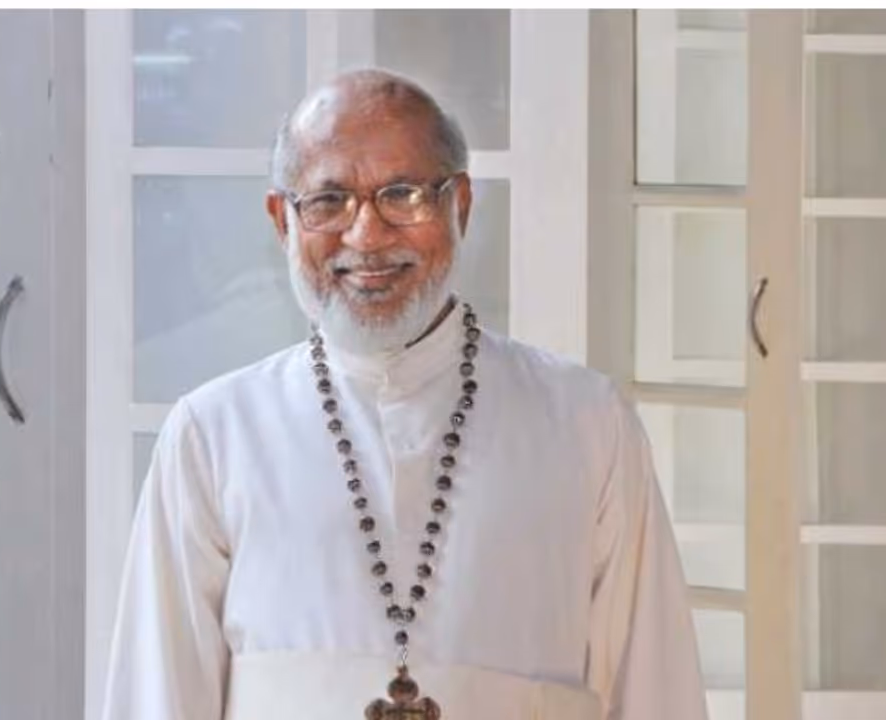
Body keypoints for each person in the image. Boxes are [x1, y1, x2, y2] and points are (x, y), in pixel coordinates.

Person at [101, 68, 708, 720]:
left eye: (403, 194)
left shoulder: (588, 423)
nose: (366, 235)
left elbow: (655, 691)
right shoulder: (212, 434)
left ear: (460, 205)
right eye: (328, 201)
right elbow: (157, 699)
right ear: (283, 219)